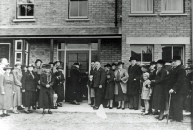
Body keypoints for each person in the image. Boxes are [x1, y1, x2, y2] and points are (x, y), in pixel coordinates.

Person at [169, 56, 187, 122]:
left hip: (179, 90)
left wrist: (174, 89)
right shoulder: (175, 69)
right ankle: (174, 117)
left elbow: (180, 81)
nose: (173, 62)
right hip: (174, 89)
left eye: (175, 61)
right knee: (174, 103)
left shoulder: (181, 69)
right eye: (173, 61)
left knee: (178, 104)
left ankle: (179, 118)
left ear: (179, 61)